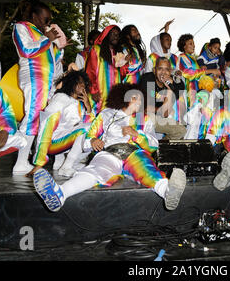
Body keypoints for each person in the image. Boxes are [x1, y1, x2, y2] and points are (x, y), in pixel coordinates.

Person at [33, 83, 187, 212]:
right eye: (135, 98)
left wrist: (137, 135)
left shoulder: (145, 119)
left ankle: (168, 192)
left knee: (147, 170)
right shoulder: (106, 114)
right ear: (123, 97)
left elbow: (153, 144)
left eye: (141, 99)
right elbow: (89, 136)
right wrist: (93, 141)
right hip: (109, 152)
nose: (138, 102)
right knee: (94, 170)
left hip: (135, 153)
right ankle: (60, 194)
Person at [12, 0, 64, 175]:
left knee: (39, 118)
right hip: (34, 77)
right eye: (45, 19)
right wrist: (47, 39)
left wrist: (60, 49)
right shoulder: (21, 27)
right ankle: (20, 163)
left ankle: (28, 159)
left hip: (46, 81)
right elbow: (25, 50)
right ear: (34, 17)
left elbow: (53, 61)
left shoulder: (43, 35)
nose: (47, 23)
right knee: (32, 117)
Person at [25, 71, 94, 178]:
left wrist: (88, 107)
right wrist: (39, 163)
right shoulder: (60, 99)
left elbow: (86, 124)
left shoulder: (78, 102)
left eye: (84, 83)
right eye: (78, 82)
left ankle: (65, 163)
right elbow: (45, 127)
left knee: (94, 129)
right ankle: (66, 166)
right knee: (87, 128)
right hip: (52, 145)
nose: (82, 85)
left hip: (63, 143)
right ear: (70, 83)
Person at [139, 57, 186, 139]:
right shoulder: (147, 79)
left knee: (181, 131)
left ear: (170, 71)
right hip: (144, 117)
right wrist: (158, 110)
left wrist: (169, 89)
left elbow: (165, 114)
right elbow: (146, 110)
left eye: (166, 69)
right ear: (154, 70)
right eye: (160, 69)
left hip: (159, 117)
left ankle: (160, 147)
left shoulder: (177, 84)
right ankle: (152, 146)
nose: (163, 73)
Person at [84, 25, 123, 114]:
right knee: (97, 121)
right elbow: (90, 72)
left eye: (117, 35)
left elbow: (122, 75)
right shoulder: (96, 49)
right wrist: (93, 91)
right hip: (100, 93)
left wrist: (125, 63)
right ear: (106, 35)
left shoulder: (118, 53)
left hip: (114, 94)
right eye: (112, 34)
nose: (115, 37)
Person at [176, 34, 221, 108]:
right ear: (184, 46)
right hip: (190, 93)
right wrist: (210, 71)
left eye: (193, 43)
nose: (193, 46)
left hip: (198, 92)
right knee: (192, 115)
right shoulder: (182, 57)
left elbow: (199, 75)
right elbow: (189, 73)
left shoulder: (193, 58)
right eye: (190, 43)